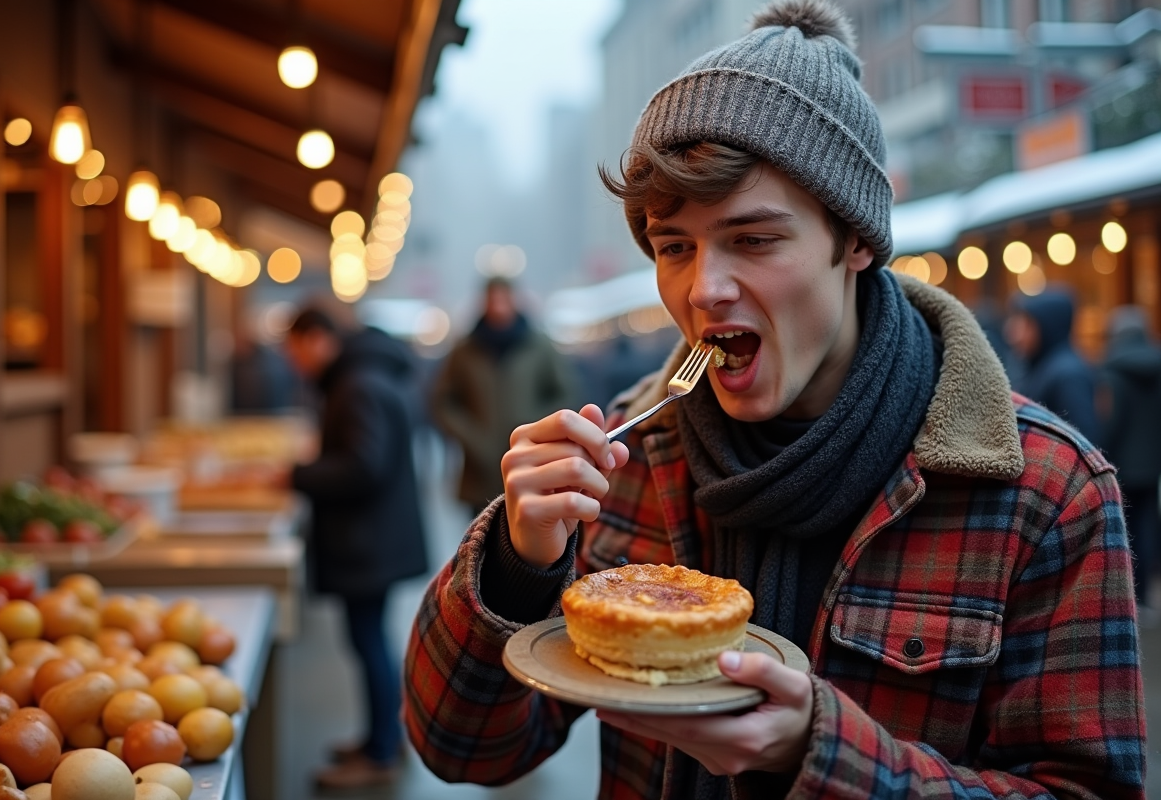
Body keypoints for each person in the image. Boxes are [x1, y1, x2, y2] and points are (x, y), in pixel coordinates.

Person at [404, 3, 1145, 799]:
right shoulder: (625, 459)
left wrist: (819, 757)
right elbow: (462, 748)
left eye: (754, 240)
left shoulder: (1044, 491)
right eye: (674, 247)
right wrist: (518, 564)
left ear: (855, 240)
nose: (704, 289)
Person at [281, 307, 428, 790]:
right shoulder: (365, 375)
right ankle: (382, 737)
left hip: (368, 540)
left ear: (319, 339)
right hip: (375, 537)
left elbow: (364, 466)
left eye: (296, 348)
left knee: (368, 644)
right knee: (371, 641)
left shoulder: (357, 384)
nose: (295, 361)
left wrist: (297, 475)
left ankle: (381, 751)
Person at [431, 277, 575, 515]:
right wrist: (470, 435)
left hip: (530, 462)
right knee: (480, 541)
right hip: (480, 469)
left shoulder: (538, 345)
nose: (498, 306)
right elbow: (443, 401)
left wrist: (538, 427)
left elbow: (565, 392)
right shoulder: (465, 349)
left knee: (528, 536)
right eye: (492, 299)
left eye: (503, 298)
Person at [1100, 305, 1161, 610]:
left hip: (1123, 461)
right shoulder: (1157, 363)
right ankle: (1149, 596)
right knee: (1148, 524)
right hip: (1152, 463)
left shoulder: (1112, 370)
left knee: (1126, 529)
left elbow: (1113, 420)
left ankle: (1131, 596)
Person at [1005, 287, 1100, 441]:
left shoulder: (1068, 374)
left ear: (1047, 326)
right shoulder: (1040, 365)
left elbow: (1084, 441)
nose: (1015, 334)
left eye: (1027, 324)